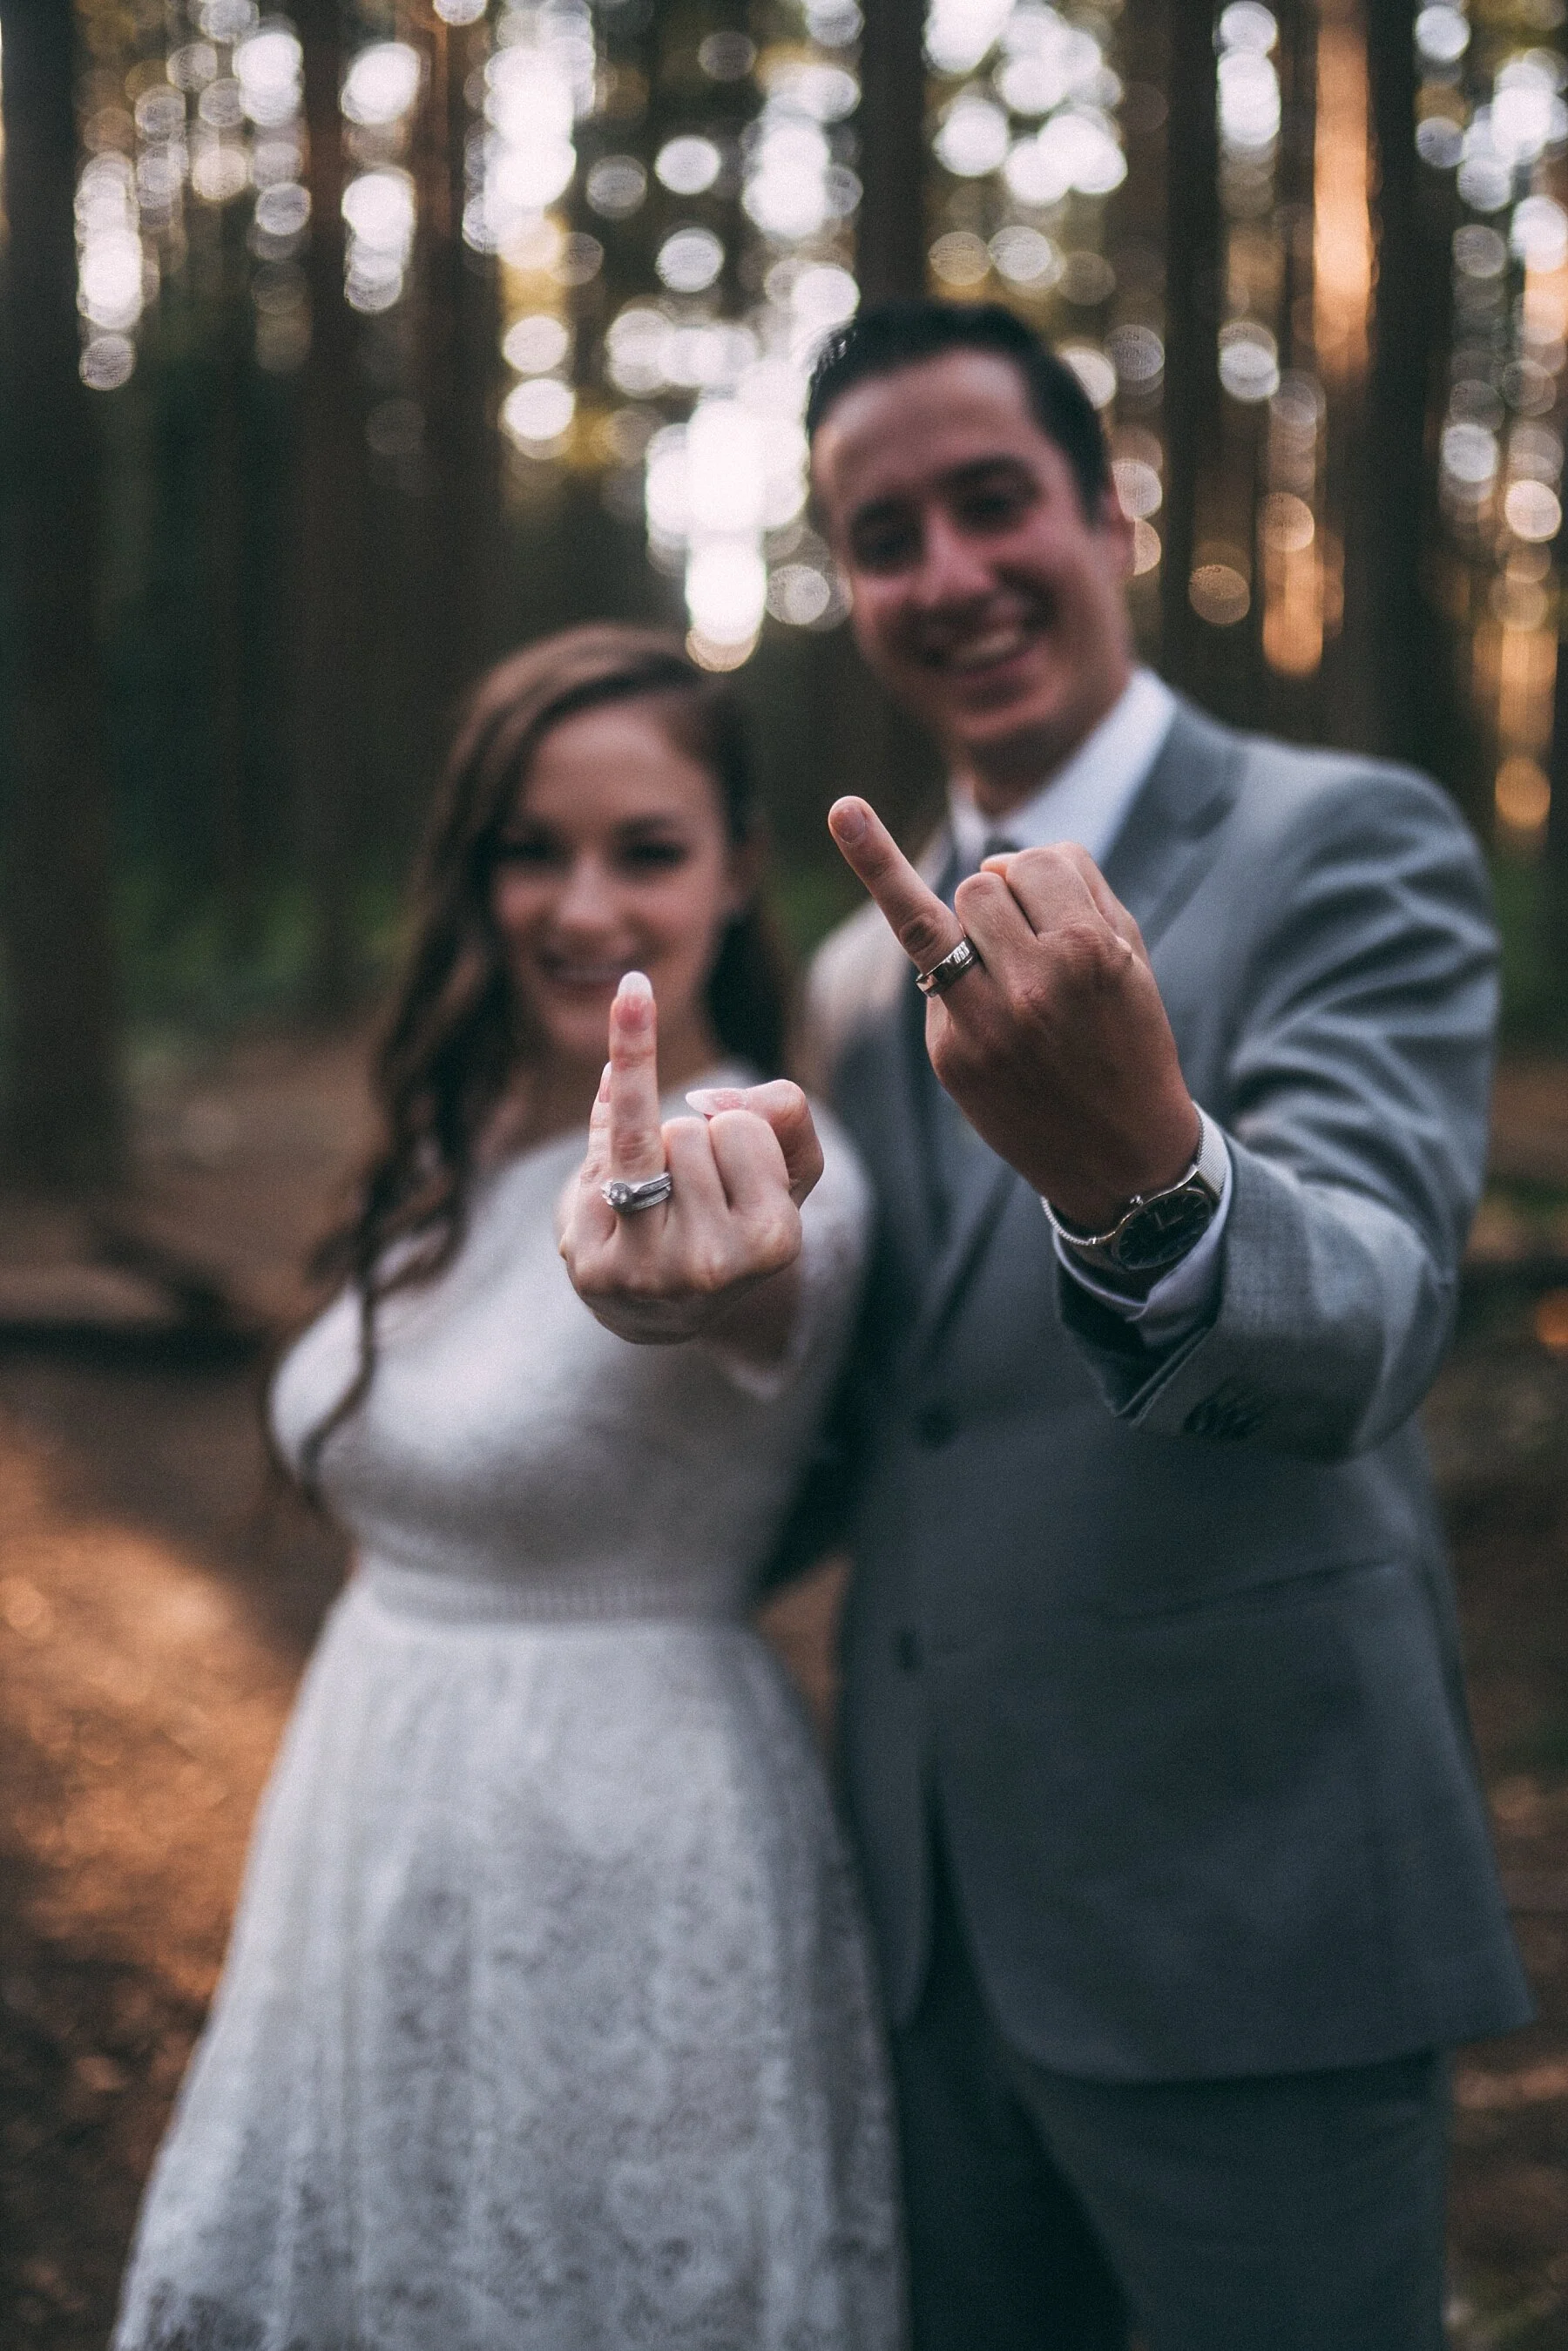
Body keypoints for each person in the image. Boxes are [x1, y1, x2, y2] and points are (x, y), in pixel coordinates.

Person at [563, 304, 1533, 2350]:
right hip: (919, 1926)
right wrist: (718, 1325)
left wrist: (1143, 1168)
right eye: (884, 532)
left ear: (1106, 511)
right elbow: (888, 1436)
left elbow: (1368, 1316)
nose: (950, 574)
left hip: (1247, 1919)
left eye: (994, 502)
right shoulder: (844, 979)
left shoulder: (1343, 842)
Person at [113, 625, 903, 2351]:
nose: (579, 905)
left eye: (646, 848)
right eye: (528, 847)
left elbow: (750, 1267)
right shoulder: (454, 1147)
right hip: (374, 1808)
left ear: (736, 868)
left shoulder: (751, 1171)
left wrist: (701, 1264)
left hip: (624, 1856)